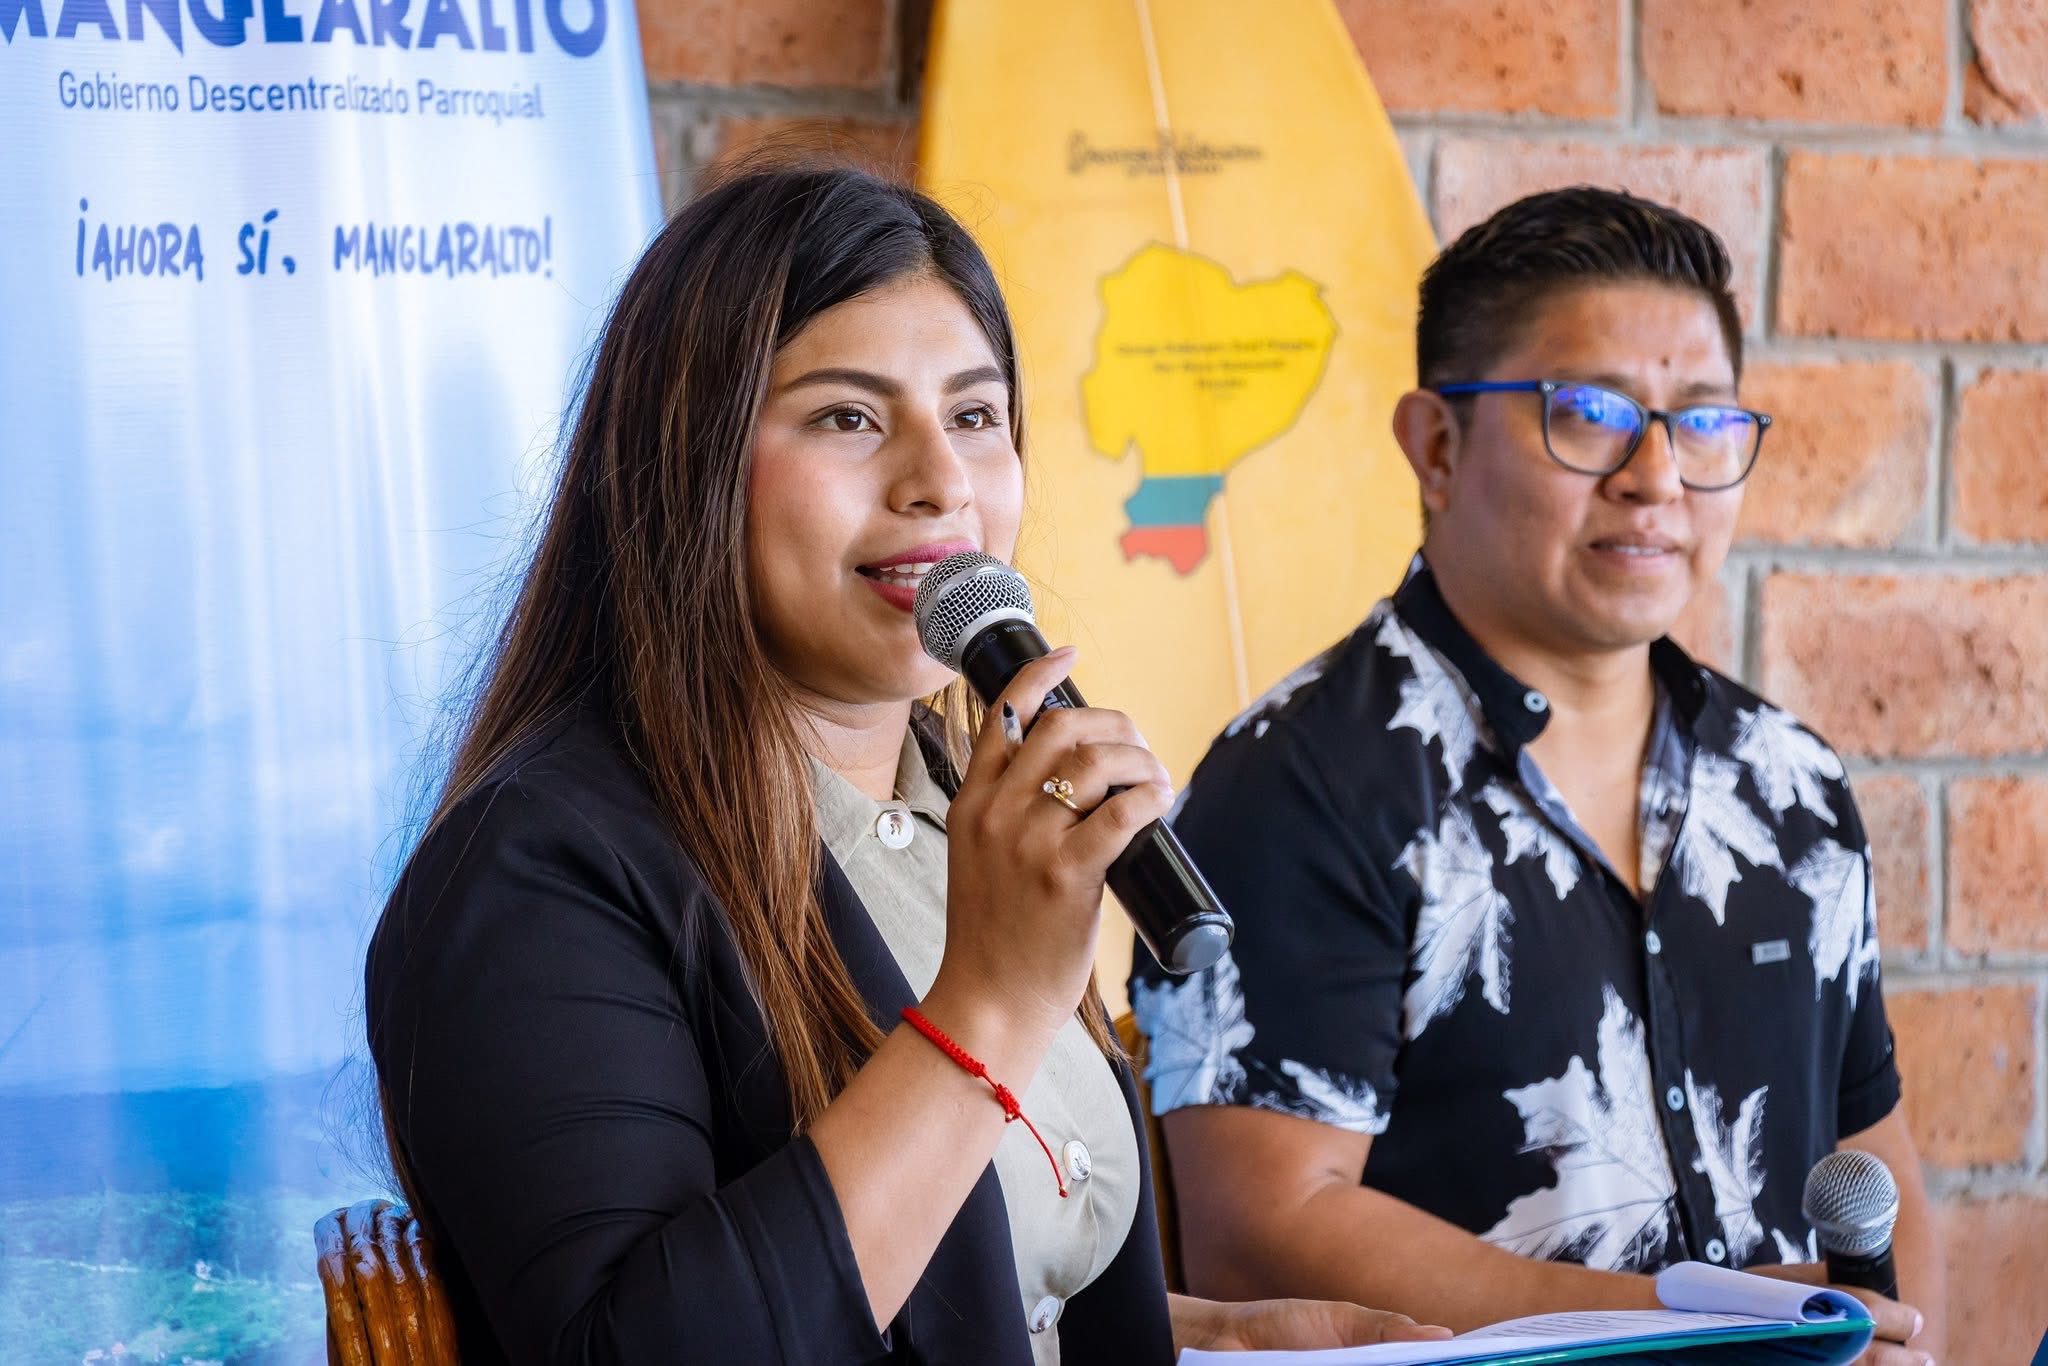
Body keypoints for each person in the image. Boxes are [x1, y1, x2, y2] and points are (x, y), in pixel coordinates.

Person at [364, 163, 1445, 1364]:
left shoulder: (968, 817)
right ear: (688, 461)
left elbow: (964, 1291)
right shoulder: (534, 874)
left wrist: (1210, 1339)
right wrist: (990, 1002)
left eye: (975, 417)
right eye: (849, 417)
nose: (942, 482)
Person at [1129, 187, 1943, 1365]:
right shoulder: (1296, 786)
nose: (1655, 474)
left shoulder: (1789, 784)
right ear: (1435, 446)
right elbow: (1259, 1233)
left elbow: (1876, 1164)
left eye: (1701, 420)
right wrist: (1705, 1336)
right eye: (1588, 412)